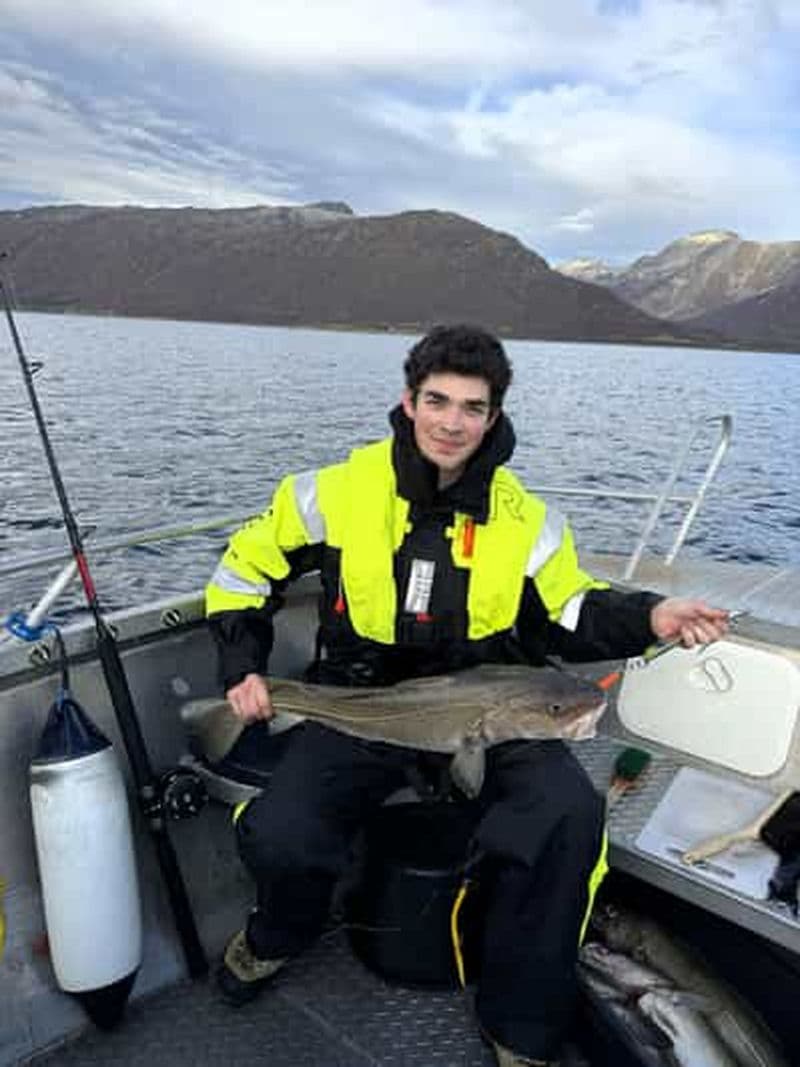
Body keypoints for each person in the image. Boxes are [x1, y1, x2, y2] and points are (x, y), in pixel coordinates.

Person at [205, 324, 728, 1067]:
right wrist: (242, 665)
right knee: (282, 829)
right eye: (438, 400)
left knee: (569, 816)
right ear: (408, 400)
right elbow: (243, 572)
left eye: (472, 407)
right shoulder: (329, 493)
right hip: (362, 704)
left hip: (494, 700)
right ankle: (277, 934)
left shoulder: (528, 521)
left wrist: (652, 615)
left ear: (494, 416)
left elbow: (571, 608)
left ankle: (519, 1025)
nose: (452, 422)